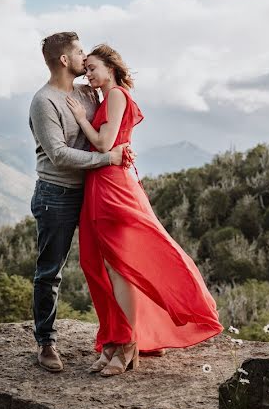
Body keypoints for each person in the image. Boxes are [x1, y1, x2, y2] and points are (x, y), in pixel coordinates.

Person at [66, 44, 223, 377]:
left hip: (112, 185)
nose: (89, 74)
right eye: (87, 69)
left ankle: (127, 344)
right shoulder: (103, 95)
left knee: (119, 265)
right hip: (99, 182)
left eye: (93, 68)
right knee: (97, 264)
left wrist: (81, 119)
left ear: (111, 66)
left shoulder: (117, 95)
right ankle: (113, 341)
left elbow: (106, 143)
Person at [28, 32, 129, 373]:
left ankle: (121, 339)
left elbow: (110, 126)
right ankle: (46, 343)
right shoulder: (44, 102)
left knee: (103, 268)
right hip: (55, 194)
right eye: (80, 52)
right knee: (50, 271)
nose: (85, 59)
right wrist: (108, 160)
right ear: (64, 60)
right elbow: (57, 155)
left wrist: (120, 153)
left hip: (92, 193)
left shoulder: (88, 93)